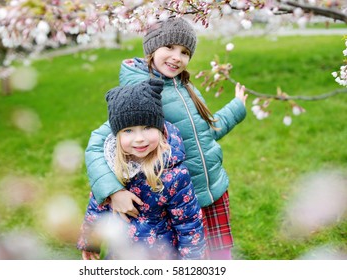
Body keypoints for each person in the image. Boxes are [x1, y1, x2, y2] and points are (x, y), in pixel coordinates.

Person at [85, 17, 247, 260]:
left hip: (212, 189)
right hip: (178, 198)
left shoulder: (183, 87)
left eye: (184, 51)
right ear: (152, 48)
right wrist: (114, 191)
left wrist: (236, 108)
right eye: (169, 47)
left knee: (219, 257)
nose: (177, 57)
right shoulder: (140, 93)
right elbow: (99, 144)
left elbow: (205, 131)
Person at [77, 79, 206, 260]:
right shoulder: (112, 166)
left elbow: (189, 225)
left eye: (147, 128)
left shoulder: (174, 175)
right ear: (117, 135)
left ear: (160, 129)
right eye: (128, 131)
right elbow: (97, 206)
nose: (139, 138)